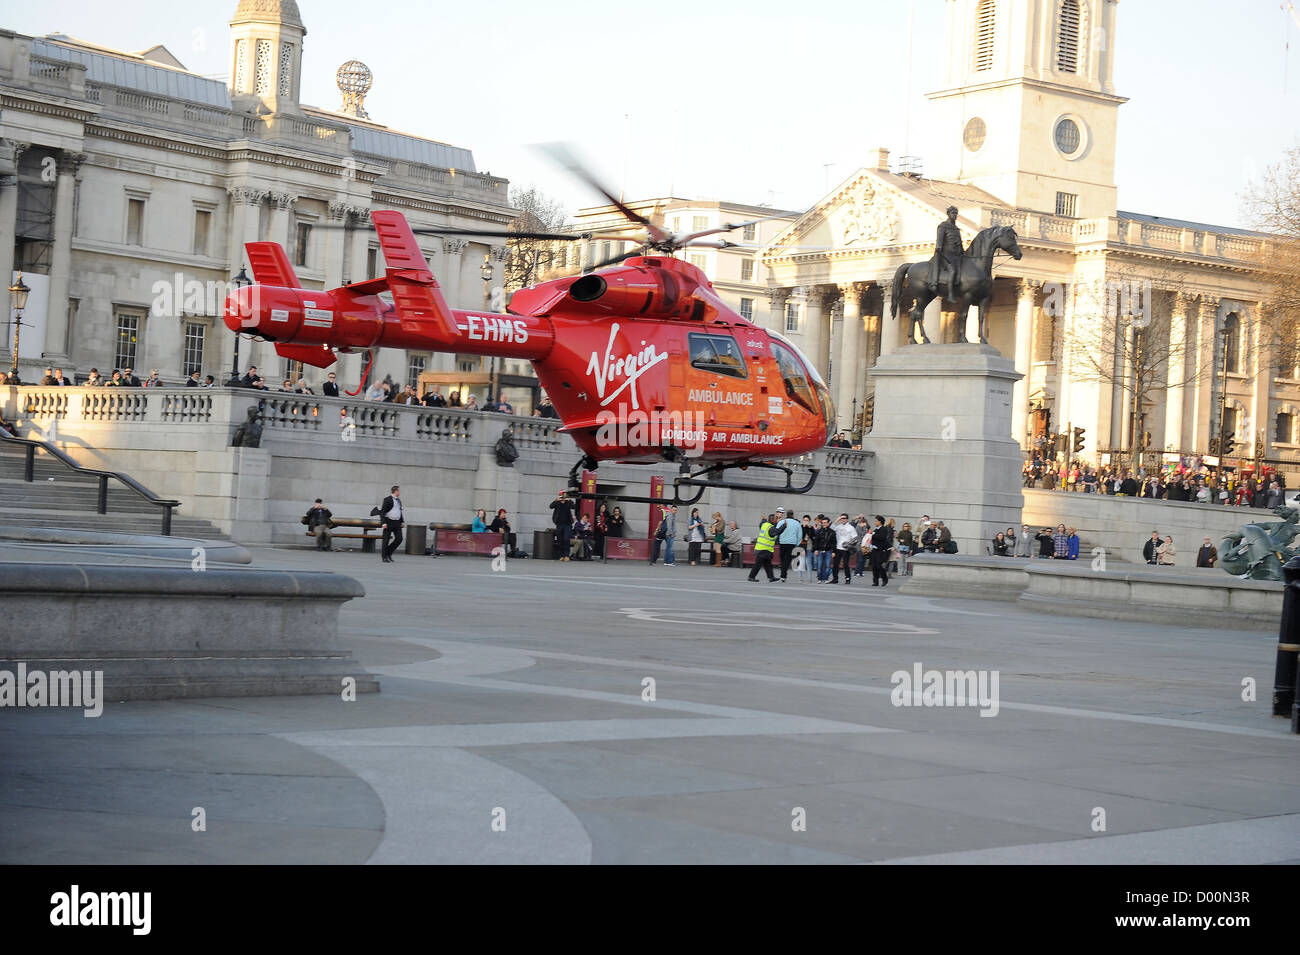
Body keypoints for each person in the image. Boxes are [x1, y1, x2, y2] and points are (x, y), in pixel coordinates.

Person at [927, 205, 963, 300]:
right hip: (946, 255)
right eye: (953, 213)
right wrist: (940, 251)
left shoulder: (956, 228)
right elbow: (939, 244)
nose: (955, 215)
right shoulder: (943, 226)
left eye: (956, 213)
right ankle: (950, 295)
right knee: (953, 270)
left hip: (957, 255)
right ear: (948, 214)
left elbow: (960, 243)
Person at [773, 507, 801, 581]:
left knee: (782, 559)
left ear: (786, 514)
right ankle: (783, 575)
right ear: (793, 515)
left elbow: (776, 532)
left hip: (782, 543)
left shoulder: (782, 522)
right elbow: (800, 535)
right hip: (791, 544)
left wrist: (774, 541)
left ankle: (783, 575)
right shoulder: (797, 523)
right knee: (787, 559)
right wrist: (797, 544)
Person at [748, 512, 777, 582]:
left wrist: (763, 519)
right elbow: (777, 532)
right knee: (758, 564)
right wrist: (783, 527)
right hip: (763, 549)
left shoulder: (765, 525)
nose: (777, 520)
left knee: (768, 564)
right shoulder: (771, 528)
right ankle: (751, 577)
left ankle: (771, 577)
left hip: (763, 548)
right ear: (772, 520)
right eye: (776, 519)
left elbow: (761, 524)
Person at [379, 485, 404, 563]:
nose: (399, 492)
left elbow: (399, 511)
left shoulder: (399, 500)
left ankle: (388, 553)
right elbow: (382, 512)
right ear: (395, 491)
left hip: (397, 522)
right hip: (388, 522)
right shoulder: (387, 499)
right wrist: (383, 523)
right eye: (399, 491)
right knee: (386, 540)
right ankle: (384, 557)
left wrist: (402, 521)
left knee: (399, 538)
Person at [831, 513, 857, 585]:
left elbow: (855, 538)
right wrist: (837, 520)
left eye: (844, 518)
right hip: (838, 548)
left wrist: (849, 544)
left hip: (846, 548)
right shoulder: (838, 526)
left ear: (847, 519)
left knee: (845, 564)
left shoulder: (851, 527)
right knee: (835, 564)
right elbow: (831, 528)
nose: (843, 519)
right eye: (842, 518)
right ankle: (835, 579)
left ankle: (848, 578)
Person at [549, 489, 575, 562]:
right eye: (561, 496)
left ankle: (566, 555)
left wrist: (569, 500)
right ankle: (561, 555)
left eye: (564, 495)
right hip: (559, 524)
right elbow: (550, 506)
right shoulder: (557, 502)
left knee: (566, 539)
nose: (563, 497)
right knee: (560, 540)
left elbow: (574, 506)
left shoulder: (568, 502)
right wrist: (556, 500)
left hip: (567, 524)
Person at [869, 515, 891, 587]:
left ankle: (885, 579)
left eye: (876, 521)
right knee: (874, 566)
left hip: (880, 550)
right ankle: (875, 581)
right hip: (874, 550)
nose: (875, 522)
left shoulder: (883, 529)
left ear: (880, 522)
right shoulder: (875, 530)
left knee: (879, 565)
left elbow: (882, 537)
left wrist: (872, 535)